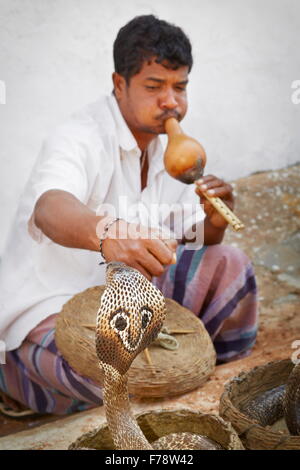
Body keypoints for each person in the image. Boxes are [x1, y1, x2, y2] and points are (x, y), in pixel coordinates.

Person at [0, 15, 258, 415]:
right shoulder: (79, 135)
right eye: (154, 87)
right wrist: (107, 232)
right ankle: (15, 378)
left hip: (130, 302)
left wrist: (214, 221)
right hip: (54, 303)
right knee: (112, 374)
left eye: (180, 87)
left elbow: (190, 242)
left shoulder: (170, 149)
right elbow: (49, 206)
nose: (171, 102)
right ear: (119, 84)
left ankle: (217, 385)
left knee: (231, 265)